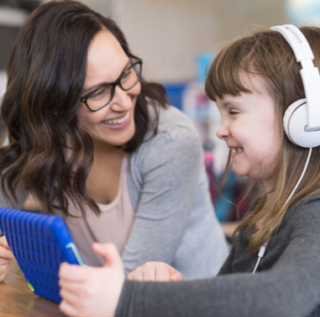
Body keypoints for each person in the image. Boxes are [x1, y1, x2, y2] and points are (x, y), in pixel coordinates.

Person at [58, 25, 320, 317]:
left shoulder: (315, 215)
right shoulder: (260, 220)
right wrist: (162, 289)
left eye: (233, 111)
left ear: (306, 119)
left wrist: (130, 299)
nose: (221, 130)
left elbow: (282, 299)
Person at [0, 0, 228, 283]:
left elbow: (131, 285)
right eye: (98, 92)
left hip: (189, 306)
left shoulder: (170, 141)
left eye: (126, 74)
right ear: (53, 104)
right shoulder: (42, 136)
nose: (123, 101)